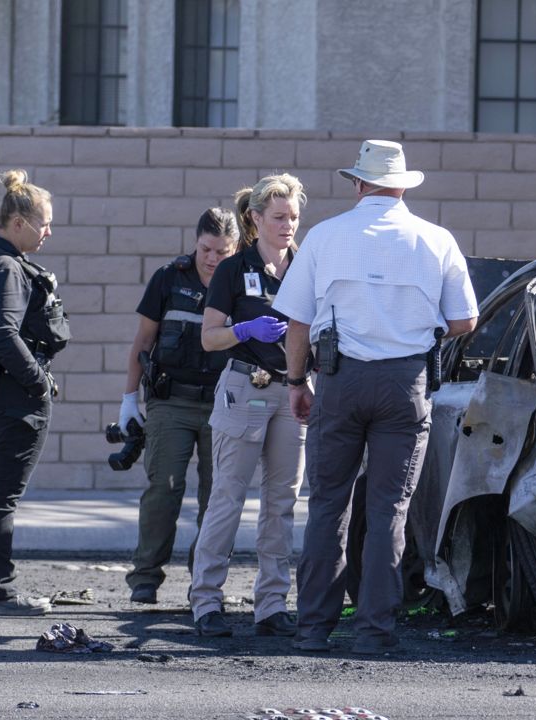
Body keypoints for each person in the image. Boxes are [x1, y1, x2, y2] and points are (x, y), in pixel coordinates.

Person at [275, 140, 478, 654]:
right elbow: (465, 320)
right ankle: (373, 630)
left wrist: (297, 382)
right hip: (404, 385)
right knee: (390, 509)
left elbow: (296, 322)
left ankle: (313, 629)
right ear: (403, 185)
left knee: (327, 506)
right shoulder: (436, 240)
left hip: (339, 380)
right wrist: (413, 326)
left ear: (359, 184)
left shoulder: (324, 237)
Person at [188, 174, 308, 638]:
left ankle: (272, 603)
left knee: (281, 502)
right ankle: (206, 601)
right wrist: (244, 330)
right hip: (246, 387)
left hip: (291, 388)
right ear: (255, 218)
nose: (288, 225)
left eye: (294, 217)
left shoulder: (304, 264)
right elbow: (208, 336)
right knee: (228, 496)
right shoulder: (233, 269)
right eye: (278, 217)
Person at [0, 169, 70, 616]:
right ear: (18, 221)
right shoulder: (4, 264)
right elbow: (3, 334)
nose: (49, 232)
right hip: (6, 391)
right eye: (44, 223)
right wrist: (38, 382)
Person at [122, 208, 240, 604]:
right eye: (207, 249)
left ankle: (203, 582)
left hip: (224, 404)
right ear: (195, 241)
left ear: (236, 247)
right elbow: (142, 343)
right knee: (163, 489)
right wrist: (128, 400)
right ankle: (145, 577)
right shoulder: (169, 278)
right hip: (170, 402)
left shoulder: (243, 282)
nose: (212, 258)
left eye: (222, 252)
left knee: (217, 496)